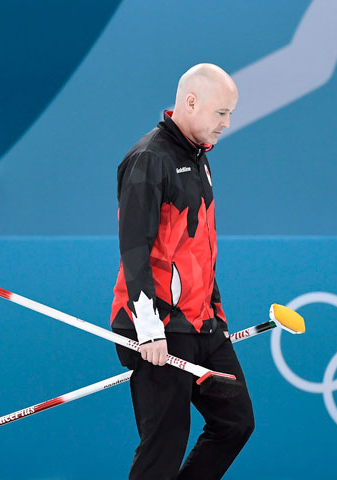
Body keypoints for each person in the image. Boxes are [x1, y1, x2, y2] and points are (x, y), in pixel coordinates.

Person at [109, 63, 254, 479]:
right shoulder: (148, 159)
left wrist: (217, 313)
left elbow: (197, 250)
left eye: (230, 114)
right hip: (158, 324)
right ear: (190, 103)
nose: (227, 123)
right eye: (220, 113)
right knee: (164, 447)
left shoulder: (199, 158)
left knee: (235, 422)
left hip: (202, 323)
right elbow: (134, 248)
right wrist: (148, 326)